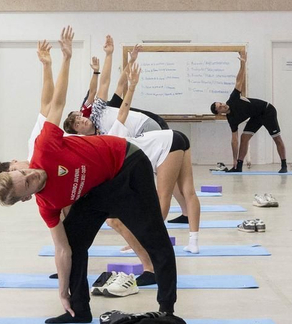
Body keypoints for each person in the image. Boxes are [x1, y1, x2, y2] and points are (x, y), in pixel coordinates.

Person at [0, 30, 188, 324]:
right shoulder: (47, 205)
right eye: (26, 182)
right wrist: (62, 291)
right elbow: (62, 251)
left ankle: (167, 311)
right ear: (26, 197)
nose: (31, 174)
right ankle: (78, 309)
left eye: (23, 172)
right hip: (97, 190)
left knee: (155, 237)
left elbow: (55, 102)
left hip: (127, 165)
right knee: (74, 241)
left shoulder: (45, 146)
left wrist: (66, 58)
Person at [66, 53, 202, 255]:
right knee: (182, 190)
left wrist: (129, 82)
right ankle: (192, 242)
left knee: (163, 194)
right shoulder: (102, 138)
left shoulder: (104, 124)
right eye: (78, 123)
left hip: (162, 140)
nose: (82, 120)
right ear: (78, 133)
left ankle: (154, 243)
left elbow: (117, 104)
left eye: (80, 118)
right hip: (170, 138)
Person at [210, 51, 287, 173]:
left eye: (221, 103)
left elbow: (239, 80)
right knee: (244, 137)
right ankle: (238, 166)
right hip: (256, 116)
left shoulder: (233, 99)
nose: (223, 105)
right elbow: (234, 141)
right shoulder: (232, 120)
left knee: (276, 138)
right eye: (220, 107)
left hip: (267, 111)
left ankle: (284, 165)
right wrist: (234, 159)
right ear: (219, 113)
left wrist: (243, 63)